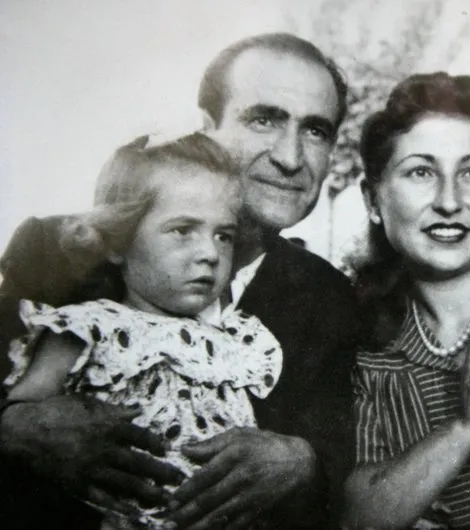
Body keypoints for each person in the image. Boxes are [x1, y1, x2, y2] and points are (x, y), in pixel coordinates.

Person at [0, 33, 360, 530]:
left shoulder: (330, 298)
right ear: (207, 127)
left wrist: (305, 464)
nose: (291, 157)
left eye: (316, 130)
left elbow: (343, 458)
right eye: (264, 119)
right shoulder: (56, 250)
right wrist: (13, 428)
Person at [4, 133, 285, 529]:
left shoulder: (233, 340)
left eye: (223, 235)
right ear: (117, 242)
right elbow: (29, 421)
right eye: (182, 230)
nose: (209, 253)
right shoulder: (88, 327)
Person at [342, 72, 470, 529]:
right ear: (373, 200)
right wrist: (466, 426)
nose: (449, 201)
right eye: (421, 172)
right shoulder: (358, 345)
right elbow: (358, 520)